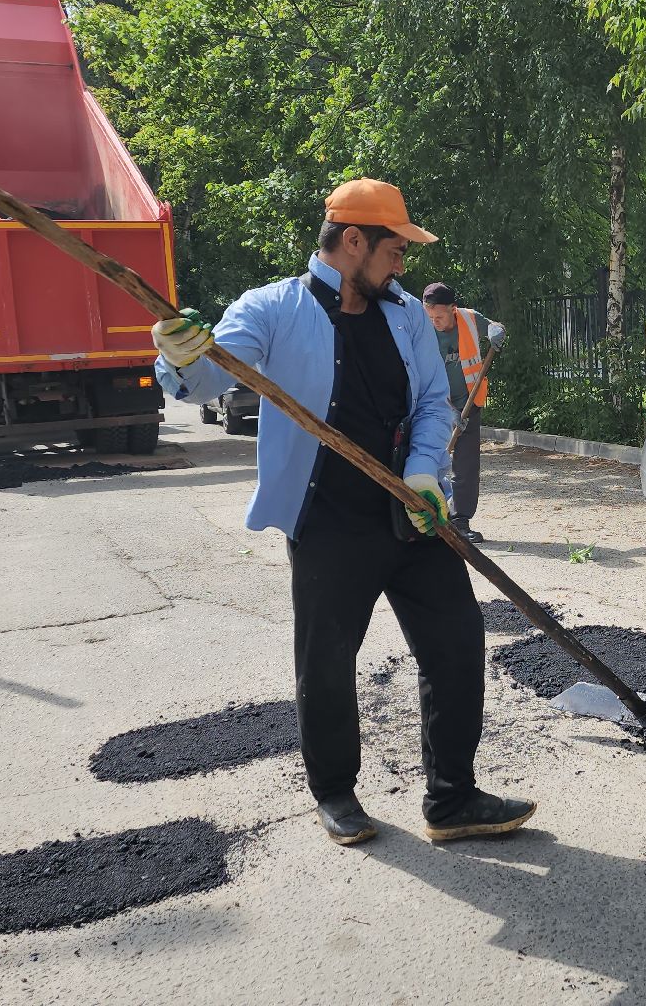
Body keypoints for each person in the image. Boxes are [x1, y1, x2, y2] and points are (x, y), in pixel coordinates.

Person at [149, 179, 535, 846]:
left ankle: (452, 799)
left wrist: (423, 474)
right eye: (394, 250)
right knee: (326, 661)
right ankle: (335, 793)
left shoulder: (407, 313)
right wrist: (178, 355)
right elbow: (207, 375)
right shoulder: (272, 308)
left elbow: (434, 405)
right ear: (353, 241)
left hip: (412, 514)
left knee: (457, 642)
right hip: (328, 519)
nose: (402, 265)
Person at [420, 282, 505, 543]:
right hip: (433, 406)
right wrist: (447, 410)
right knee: (429, 459)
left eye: (440, 316)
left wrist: (495, 330)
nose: (435, 321)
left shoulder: (468, 319)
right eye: (430, 315)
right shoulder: (421, 329)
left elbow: (496, 326)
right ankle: (424, 515)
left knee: (466, 465)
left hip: (469, 402)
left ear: (453, 309)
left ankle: (459, 521)